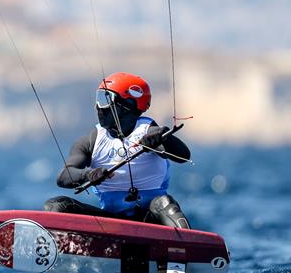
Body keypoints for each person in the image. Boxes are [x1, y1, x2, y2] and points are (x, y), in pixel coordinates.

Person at [43, 72, 192, 228]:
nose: (99, 107)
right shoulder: (91, 141)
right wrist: (89, 174)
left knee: (164, 202)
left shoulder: (149, 132)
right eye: (98, 100)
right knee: (55, 205)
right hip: (111, 221)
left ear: (127, 105)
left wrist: (165, 138)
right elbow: (64, 176)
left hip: (151, 219)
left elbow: (183, 156)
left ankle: (189, 245)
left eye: (105, 100)